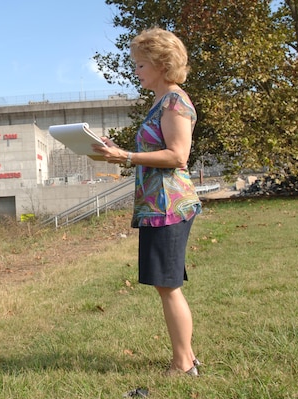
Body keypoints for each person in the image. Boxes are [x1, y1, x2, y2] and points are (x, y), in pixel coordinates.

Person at [93, 27, 202, 376]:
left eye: (140, 65)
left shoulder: (174, 101)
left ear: (161, 63)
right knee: (165, 283)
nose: (136, 71)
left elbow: (177, 155)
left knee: (168, 285)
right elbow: (153, 150)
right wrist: (116, 151)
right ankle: (186, 355)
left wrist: (125, 156)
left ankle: (184, 363)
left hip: (170, 205)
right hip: (158, 206)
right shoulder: (160, 101)